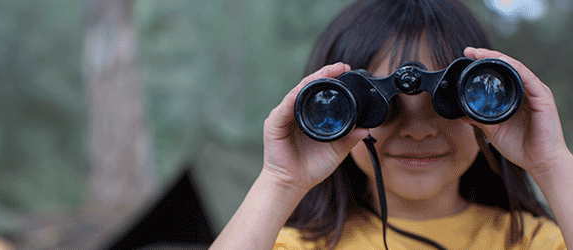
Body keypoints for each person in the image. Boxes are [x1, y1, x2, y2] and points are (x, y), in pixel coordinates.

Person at [210, 0, 572, 249]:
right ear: (341, 114)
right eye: (382, 109)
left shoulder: (529, 241)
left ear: (484, 119)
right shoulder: (296, 245)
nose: (418, 131)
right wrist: (280, 181)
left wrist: (552, 162)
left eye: (446, 106)